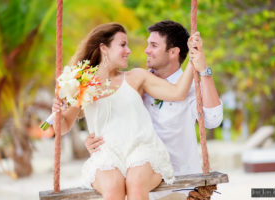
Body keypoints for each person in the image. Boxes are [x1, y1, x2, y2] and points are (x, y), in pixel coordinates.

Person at [52, 22, 198, 200]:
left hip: (142, 151)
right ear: (104, 48)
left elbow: (178, 93)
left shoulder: (136, 77)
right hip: (107, 154)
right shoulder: (82, 83)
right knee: (113, 187)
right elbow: (64, 125)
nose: (128, 50)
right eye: (122, 45)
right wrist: (58, 114)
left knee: (135, 183)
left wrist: (194, 58)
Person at [85, 20, 223, 200]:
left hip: (178, 185)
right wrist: (93, 143)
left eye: (154, 45)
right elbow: (112, 124)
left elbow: (213, 120)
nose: (146, 50)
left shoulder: (191, 86)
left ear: (173, 52)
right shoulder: (136, 84)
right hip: (139, 187)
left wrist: (203, 70)